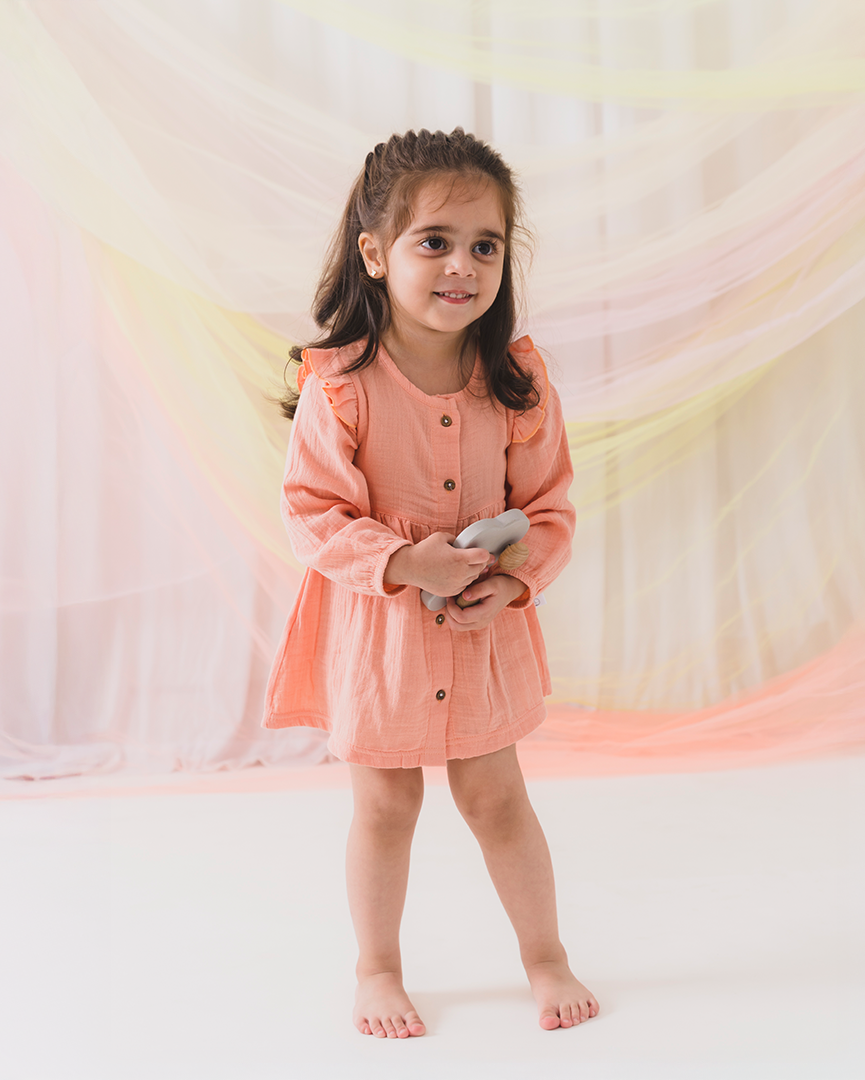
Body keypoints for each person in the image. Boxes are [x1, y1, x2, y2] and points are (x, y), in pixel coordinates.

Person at [263, 127, 597, 1039]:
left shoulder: (518, 380)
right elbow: (311, 514)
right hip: (381, 636)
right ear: (375, 254)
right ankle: (376, 967)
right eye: (435, 242)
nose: (463, 266)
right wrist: (404, 562)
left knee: (497, 798)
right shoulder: (341, 388)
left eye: (485, 245)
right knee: (386, 802)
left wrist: (515, 583)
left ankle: (545, 954)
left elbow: (552, 510)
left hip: (479, 632)